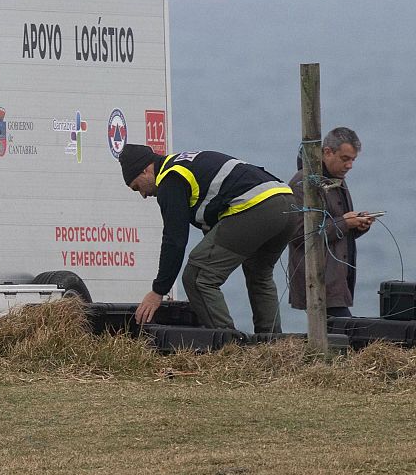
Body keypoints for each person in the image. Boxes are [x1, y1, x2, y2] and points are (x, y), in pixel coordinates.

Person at [119, 143, 297, 334]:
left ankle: (228, 343)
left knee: (197, 277)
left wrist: (158, 291)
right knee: (259, 275)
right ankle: (271, 341)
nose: (143, 195)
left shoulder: (170, 179)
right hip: (287, 204)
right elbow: (216, 228)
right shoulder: (185, 163)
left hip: (258, 207)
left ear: (145, 170)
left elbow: (174, 239)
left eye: (137, 187)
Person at [288, 127, 376, 318]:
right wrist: (345, 223)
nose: (349, 165)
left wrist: (358, 225)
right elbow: (300, 235)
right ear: (327, 152)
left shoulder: (338, 179)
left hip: (336, 282)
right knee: (349, 332)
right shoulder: (303, 183)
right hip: (317, 283)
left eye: (353, 160)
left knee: (343, 333)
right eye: (345, 159)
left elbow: (337, 228)